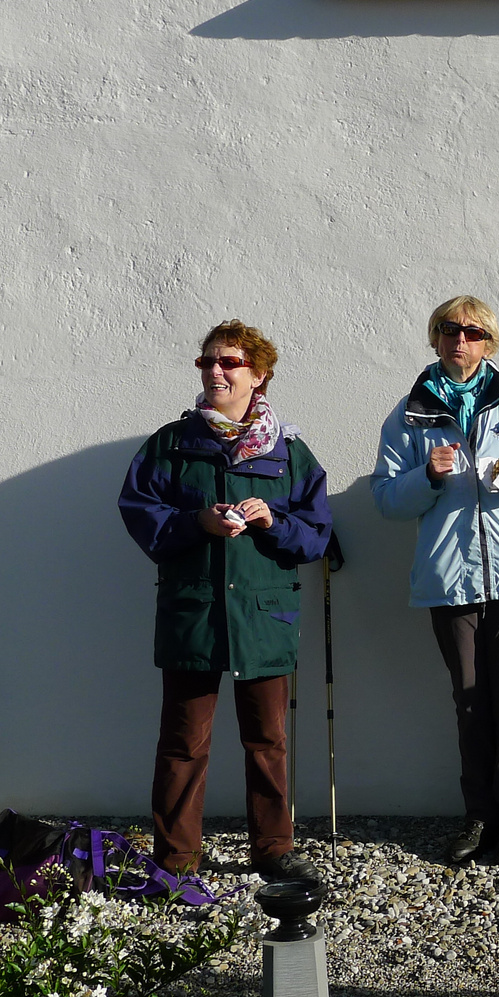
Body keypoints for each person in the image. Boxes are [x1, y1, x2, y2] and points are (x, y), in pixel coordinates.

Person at [118, 320, 334, 882]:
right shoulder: (170, 444)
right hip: (195, 615)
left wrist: (273, 521)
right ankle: (177, 859)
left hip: (265, 617)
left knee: (268, 741)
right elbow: (140, 513)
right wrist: (197, 522)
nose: (215, 371)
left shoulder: (290, 451)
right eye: (207, 362)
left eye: (229, 362)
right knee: (184, 744)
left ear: (259, 375)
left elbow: (316, 536)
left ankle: (274, 850)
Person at [371, 296, 499, 867]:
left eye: (473, 331)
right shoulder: (409, 412)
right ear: (434, 339)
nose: (460, 340)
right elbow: (385, 499)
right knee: (469, 701)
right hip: (447, 580)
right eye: (449, 330)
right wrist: (425, 479)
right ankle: (479, 815)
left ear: (489, 342)